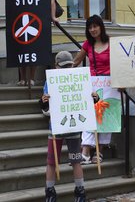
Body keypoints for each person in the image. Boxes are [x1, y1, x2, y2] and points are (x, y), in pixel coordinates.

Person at [41, 51, 86, 202]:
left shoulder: (77, 80)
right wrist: (44, 102)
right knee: (51, 162)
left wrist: (93, 98)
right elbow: (46, 110)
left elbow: (84, 101)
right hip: (56, 127)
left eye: (69, 66)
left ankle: (80, 191)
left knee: (76, 160)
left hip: (73, 127)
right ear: (56, 66)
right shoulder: (50, 82)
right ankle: (49, 191)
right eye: (63, 67)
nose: (66, 69)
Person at [72, 15, 111, 164]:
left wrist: (122, 83)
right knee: (89, 116)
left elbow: (120, 63)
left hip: (109, 85)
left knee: (105, 118)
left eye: (95, 26)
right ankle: (86, 150)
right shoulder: (88, 45)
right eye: (90, 27)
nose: (93, 29)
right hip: (93, 84)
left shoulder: (111, 43)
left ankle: (100, 150)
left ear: (101, 27)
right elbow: (76, 61)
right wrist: (61, 73)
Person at [16, 0, 59, 86]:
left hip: (38, 23)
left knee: (35, 50)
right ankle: (23, 78)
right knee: (22, 51)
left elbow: (52, 0)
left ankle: (31, 78)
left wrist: (53, 16)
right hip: (23, 22)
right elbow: (15, 4)